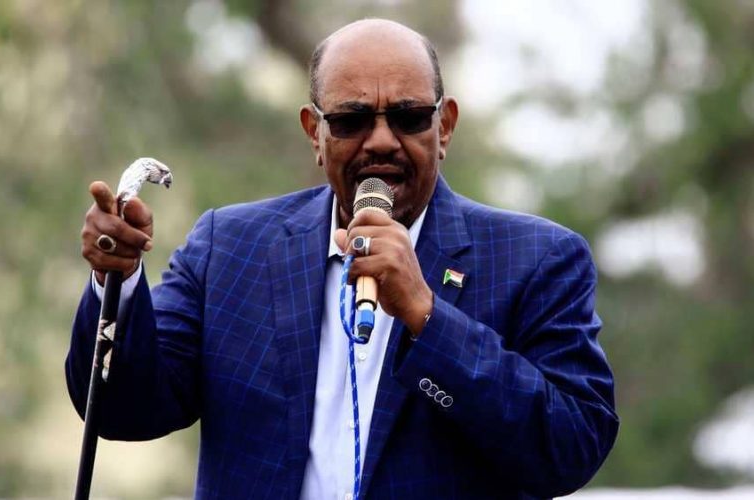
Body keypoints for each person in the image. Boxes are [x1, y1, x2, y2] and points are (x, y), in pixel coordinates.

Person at [67, 18, 618, 499]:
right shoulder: (228, 247)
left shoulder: (537, 258)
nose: (381, 142)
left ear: (444, 126)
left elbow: (571, 447)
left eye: (407, 117)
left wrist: (428, 318)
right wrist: (117, 280)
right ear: (316, 133)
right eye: (352, 121)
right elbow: (123, 409)